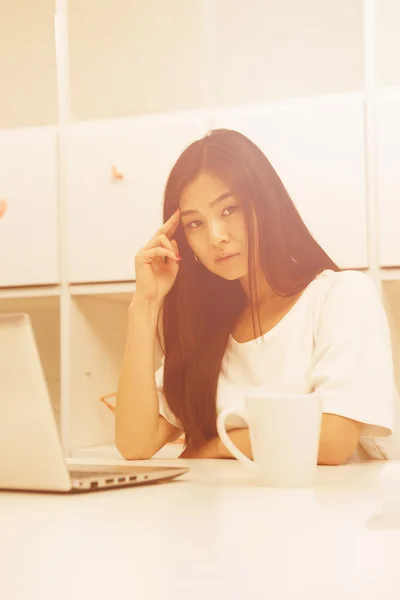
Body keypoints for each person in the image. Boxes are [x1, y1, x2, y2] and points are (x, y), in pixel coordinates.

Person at [115, 129, 397, 465]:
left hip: (333, 511)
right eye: (194, 224)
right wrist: (144, 305)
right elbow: (135, 443)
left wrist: (219, 445)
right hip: (237, 510)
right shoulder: (207, 329)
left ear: (264, 204)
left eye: (229, 209)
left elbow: (331, 440)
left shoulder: (340, 296)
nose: (216, 236)